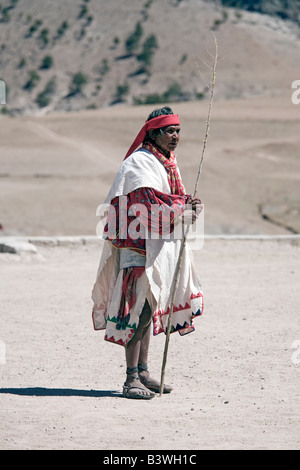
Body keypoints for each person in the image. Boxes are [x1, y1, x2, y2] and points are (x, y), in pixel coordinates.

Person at [92, 106, 203, 399]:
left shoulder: (167, 163)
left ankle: (143, 372)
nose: (175, 136)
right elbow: (148, 206)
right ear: (153, 132)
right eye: (170, 131)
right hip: (137, 244)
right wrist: (182, 208)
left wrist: (188, 205)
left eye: (178, 130)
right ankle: (130, 380)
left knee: (150, 307)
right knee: (137, 309)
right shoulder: (139, 163)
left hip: (156, 245)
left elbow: (170, 200)